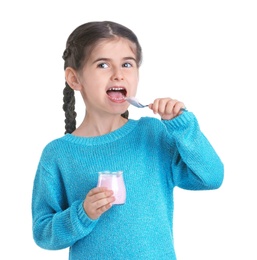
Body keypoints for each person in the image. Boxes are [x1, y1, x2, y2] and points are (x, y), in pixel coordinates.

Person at [31, 21, 224, 260]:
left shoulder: (153, 134)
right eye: (102, 64)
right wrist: (82, 214)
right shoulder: (58, 154)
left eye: (127, 64)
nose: (118, 74)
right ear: (74, 78)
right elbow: (43, 233)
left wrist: (182, 127)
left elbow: (211, 177)